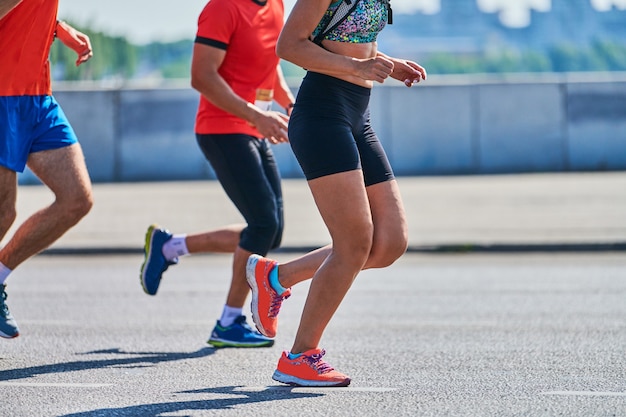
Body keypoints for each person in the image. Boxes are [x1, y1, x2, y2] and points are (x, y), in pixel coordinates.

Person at [245, 0, 427, 386]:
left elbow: (350, 42)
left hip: (358, 115)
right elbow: (290, 45)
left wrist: (387, 65)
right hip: (322, 114)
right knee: (355, 243)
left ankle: (275, 278)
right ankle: (299, 356)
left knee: (390, 241)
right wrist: (358, 68)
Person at [139, 0, 295, 349]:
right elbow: (201, 76)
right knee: (263, 225)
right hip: (222, 129)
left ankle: (169, 246)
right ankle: (228, 321)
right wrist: (256, 115)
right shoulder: (223, 7)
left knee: (271, 230)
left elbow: (271, 66)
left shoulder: (276, 5)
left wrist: (288, 104)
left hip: (253, 127)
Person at [0, 0, 94, 339]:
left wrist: (58, 28)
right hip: (2, 94)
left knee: (76, 200)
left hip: (38, 97)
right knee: (3, 212)